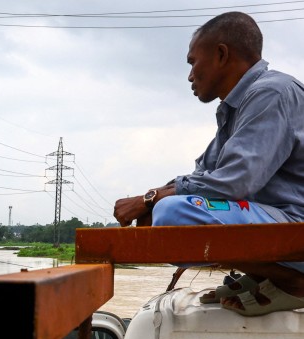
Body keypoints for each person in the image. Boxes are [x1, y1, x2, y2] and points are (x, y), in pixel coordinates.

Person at [112, 11, 304, 316]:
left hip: (296, 225)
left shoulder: (271, 93)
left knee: (173, 212)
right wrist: (151, 199)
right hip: (279, 222)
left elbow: (235, 182)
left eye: (192, 62)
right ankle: (262, 276)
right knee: (167, 210)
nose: (190, 76)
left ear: (221, 54)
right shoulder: (236, 107)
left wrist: (153, 199)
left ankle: (293, 282)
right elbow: (204, 174)